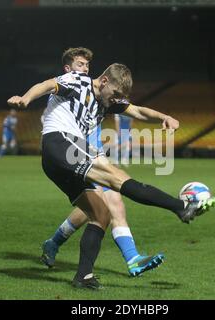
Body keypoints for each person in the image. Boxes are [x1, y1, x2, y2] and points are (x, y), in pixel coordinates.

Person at [8, 63, 215, 289]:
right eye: (116, 94)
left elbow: (136, 110)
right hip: (60, 142)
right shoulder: (79, 81)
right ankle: (181, 207)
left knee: (101, 214)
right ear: (105, 81)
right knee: (117, 178)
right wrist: (26, 97)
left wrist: (164, 116)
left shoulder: (107, 101)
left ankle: (83, 276)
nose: (117, 99)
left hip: (59, 159)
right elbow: (48, 84)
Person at [41, 48, 164, 277]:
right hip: (74, 153)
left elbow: (129, 108)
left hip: (94, 152)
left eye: (87, 66)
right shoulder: (68, 90)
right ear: (67, 70)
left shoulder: (96, 96)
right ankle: (132, 258)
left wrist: (161, 118)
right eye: (80, 65)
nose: (85, 70)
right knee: (110, 203)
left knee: (98, 208)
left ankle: (54, 243)